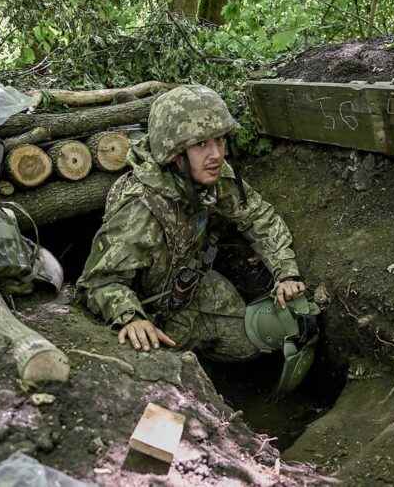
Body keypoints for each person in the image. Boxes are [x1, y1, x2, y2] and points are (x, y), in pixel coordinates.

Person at [76, 85, 318, 393]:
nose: (216, 154)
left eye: (219, 140)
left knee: (253, 343)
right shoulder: (140, 207)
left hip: (189, 289)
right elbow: (99, 281)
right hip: (148, 313)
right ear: (174, 154)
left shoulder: (207, 175)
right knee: (159, 380)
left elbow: (258, 217)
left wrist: (286, 272)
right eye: (201, 144)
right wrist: (131, 318)